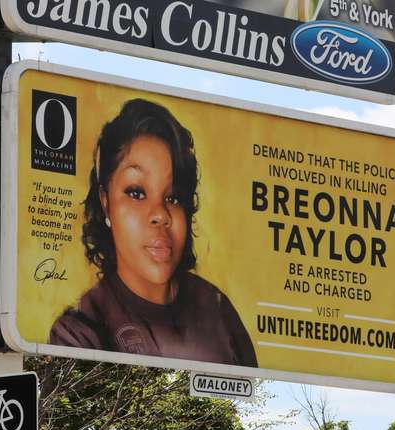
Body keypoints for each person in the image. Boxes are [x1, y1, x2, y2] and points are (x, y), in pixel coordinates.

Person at [50, 99, 257, 367]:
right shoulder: (79, 331)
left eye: (173, 197)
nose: (160, 215)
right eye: (136, 193)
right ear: (105, 202)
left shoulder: (216, 308)